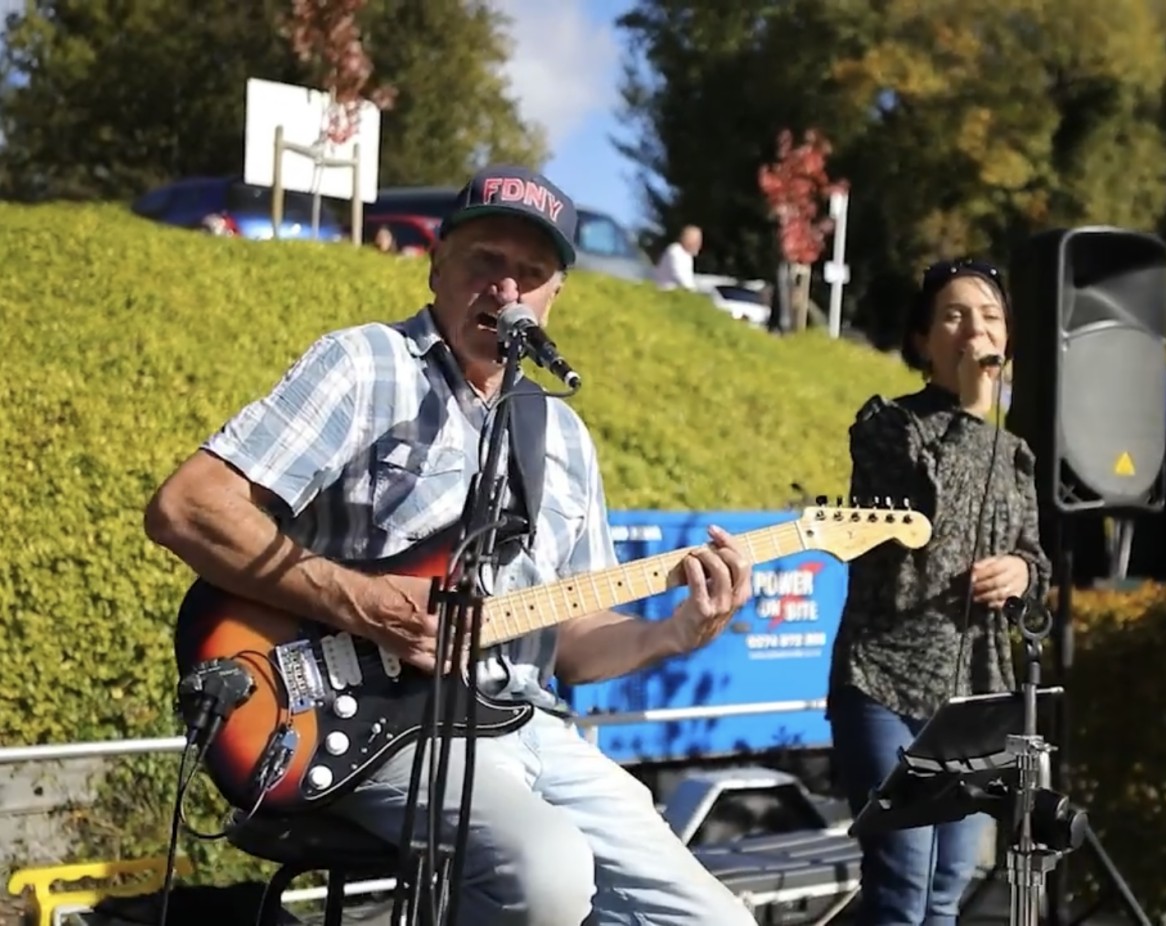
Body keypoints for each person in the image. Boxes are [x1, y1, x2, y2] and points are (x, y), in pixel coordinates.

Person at [144, 164, 758, 926]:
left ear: (555, 294)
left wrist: (674, 632)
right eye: (485, 263)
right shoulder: (364, 366)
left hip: (528, 725)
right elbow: (188, 507)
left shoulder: (562, 435)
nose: (506, 291)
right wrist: (360, 602)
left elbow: (572, 642)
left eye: (530, 273)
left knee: (713, 920)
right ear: (436, 264)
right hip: (367, 720)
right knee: (547, 874)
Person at [826, 258, 1052, 925]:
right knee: (901, 883)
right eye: (953, 316)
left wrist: (1020, 570)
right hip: (883, 680)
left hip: (973, 693)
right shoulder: (887, 428)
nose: (972, 331)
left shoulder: (1015, 455)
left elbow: (1035, 557)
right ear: (923, 340)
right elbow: (924, 518)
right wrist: (970, 406)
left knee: (947, 889)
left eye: (988, 317)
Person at [652, 224, 701, 290]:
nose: (698, 244)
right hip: (665, 293)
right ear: (686, 239)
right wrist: (694, 293)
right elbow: (682, 278)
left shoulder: (687, 256)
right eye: (696, 240)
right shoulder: (675, 251)